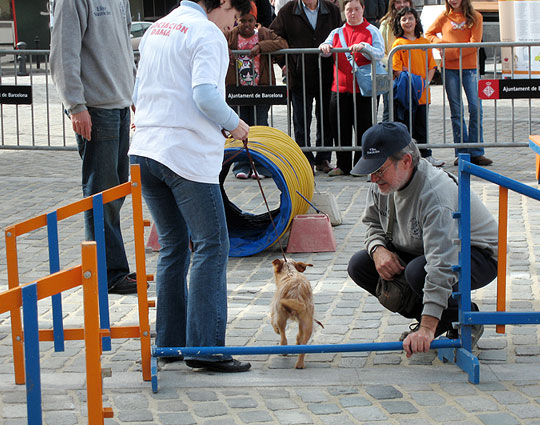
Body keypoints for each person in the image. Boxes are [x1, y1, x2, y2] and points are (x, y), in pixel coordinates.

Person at [129, 0, 252, 373]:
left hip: (145, 150)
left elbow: (136, 93)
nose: (233, 25)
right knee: (212, 245)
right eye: (235, 16)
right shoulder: (206, 33)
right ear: (223, 3)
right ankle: (205, 348)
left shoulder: (157, 28)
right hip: (184, 155)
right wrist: (234, 123)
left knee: (173, 245)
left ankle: (169, 343)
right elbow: (205, 94)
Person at [347, 122, 498, 357]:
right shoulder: (382, 182)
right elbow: (373, 223)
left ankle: (463, 318)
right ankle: (445, 319)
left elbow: (441, 263)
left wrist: (426, 328)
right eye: (370, 170)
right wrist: (378, 250)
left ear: (406, 161)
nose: (373, 178)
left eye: (379, 170)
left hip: (478, 254)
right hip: (423, 249)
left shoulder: (435, 194)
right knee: (360, 265)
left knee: (419, 272)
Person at [50, 0, 137, 295]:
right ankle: (109, 272)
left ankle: (110, 266)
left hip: (118, 104)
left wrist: (133, 92)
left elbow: (124, 47)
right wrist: (75, 105)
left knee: (115, 190)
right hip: (96, 108)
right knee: (101, 192)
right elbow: (63, 54)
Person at [270, 0, 342, 173]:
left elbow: (341, 36)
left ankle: (323, 158)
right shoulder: (288, 11)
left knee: (326, 119)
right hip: (299, 75)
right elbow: (273, 36)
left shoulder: (331, 10)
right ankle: (305, 160)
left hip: (327, 74)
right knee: (301, 120)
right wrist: (283, 62)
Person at [319, 0, 384, 177]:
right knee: (340, 128)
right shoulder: (336, 32)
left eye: (356, 9)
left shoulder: (372, 30)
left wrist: (365, 48)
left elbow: (380, 52)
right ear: (344, 12)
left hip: (363, 89)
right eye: (349, 10)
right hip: (339, 88)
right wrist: (324, 48)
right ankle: (343, 165)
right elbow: (325, 48)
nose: (353, 13)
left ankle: (361, 165)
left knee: (364, 128)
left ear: (363, 9)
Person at [425, 0, 492, 167]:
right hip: (449, 70)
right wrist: (439, 44)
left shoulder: (476, 17)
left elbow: (474, 44)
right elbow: (429, 33)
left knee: (475, 108)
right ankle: (462, 152)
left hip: (470, 68)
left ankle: (476, 151)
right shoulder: (444, 16)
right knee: (456, 111)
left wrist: (448, 52)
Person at [225, 1, 288, 179]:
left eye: (250, 21)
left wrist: (261, 47)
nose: (246, 25)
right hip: (238, 91)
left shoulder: (264, 33)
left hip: (261, 90)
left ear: (255, 21)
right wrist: (226, 50)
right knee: (239, 127)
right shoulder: (230, 35)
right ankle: (241, 166)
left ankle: (261, 165)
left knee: (259, 126)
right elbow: (216, 43)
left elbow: (282, 43)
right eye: (242, 21)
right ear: (237, 21)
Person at [391, 7, 444, 167]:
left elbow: (431, 66)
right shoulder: (398, 44)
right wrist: (411, 80)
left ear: (416, 21)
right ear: (399, 22)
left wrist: (425, 83)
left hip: (422, 93)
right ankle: (405, 158)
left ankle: (425, 156)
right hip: (406, 93)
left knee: (421, 127)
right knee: (405, 127)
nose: (407, 22)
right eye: (404, 19)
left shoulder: (424, 42)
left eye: (410, 18)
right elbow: (397, 69)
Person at [378, 0, 411, 122]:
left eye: (405, 1)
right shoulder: (385, 24)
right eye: (398, 2)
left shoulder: (415, 22)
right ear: (392, 4)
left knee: (409, 111)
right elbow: (381, 51)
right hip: (390, 75)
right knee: (389, 111)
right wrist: (396, 67)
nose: (402, 5)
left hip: (411, 74)